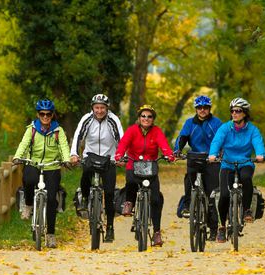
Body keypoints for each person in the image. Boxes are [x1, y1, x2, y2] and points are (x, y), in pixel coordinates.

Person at [12, 99, 72, 248]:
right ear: (38, 115)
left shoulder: (58, 131)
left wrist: (66, 160)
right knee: (28, 178)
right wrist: (17, 156)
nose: (45, 117)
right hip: (34, 163)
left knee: (52, 200)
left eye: (48, 114)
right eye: (42, 114)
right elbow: (24, 143)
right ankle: (28, 204)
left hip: (52, 166)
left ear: (52, 115)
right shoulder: (31, 129)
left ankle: (51, 234)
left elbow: (64, 146)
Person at [114, 104, 176, 247]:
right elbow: (123, 144)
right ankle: (129, 203)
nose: (146, 119)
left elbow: (164, 145)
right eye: (143, 116)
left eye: (149, 116)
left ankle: (156, 233)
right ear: (139, 118)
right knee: (130, 182)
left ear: (153, 119)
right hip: (133, 164)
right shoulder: (132, 130)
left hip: (150, 167)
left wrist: (169, 155)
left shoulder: (157, 131)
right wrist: (119, 155)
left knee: (156, 199)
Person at [208, 98, 265, 243]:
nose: (234, 113)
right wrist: (212, 154)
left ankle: (246, 210)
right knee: (224, 195)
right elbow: (217, 141)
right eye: (232, 111)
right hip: (227, 164)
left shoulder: (252, 129)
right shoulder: (225, 128)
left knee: (246, 178)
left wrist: (260, 155)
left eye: (238, 111)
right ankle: (222, 227)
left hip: (245, 163)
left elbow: (258, 142)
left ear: (245, 113)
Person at [70, 93, 123, 242]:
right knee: (85, 176)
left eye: (102, 108)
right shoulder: (86, 119)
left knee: (110, 193)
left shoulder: (113, 120)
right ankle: (86, 198)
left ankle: (110, 228)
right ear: (92, 108)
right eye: (96, 107)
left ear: (107, 108)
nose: (99, 111)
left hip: (109, 159)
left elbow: (121, 139)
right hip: (90, 156)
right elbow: (78, 136)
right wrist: (74, 154)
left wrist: (120, 156)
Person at [173, 95, 223, 241]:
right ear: (196, 109)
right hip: (195, 157)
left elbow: (223, 139)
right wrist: (177, 151)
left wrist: (222, 153)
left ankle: (213, 229)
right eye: (199, 108)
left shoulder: (216, 123)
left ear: (209, 109)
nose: (202, 110)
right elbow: (181, 138)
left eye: (205, 108)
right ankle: (188, 204)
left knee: (213, 194)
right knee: (189, 179)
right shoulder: (190, 123)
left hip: (212, 160)